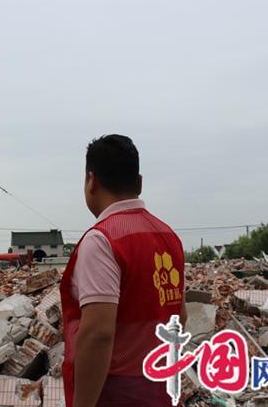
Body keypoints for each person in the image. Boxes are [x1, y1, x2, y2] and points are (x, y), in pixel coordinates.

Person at [60, 135, 187, 407]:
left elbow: (98, 334)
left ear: (91, 181)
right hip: (161, 388)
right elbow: (180, 315)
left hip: (115, 392)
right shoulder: (169, 236)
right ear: (139, 183)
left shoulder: (103, 239)